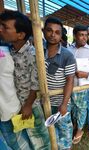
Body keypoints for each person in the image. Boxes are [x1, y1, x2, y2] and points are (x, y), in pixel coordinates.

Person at [0, 10, 50, 150]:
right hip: (16, 104)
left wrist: (28, 105)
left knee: (40, 137)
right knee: (25, 137)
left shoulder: (33, 54)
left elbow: (36, 84)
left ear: (20, 34)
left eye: (5, 27)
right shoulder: (10, 50)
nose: (1, 29)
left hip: (31, 104)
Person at [43, 17, 76, 150]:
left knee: (64, 133)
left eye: (57, 32)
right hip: (44, 101)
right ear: (44, 31)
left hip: (60, 102)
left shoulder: (67, 55)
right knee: (48, 131)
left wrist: (64, 104)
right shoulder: (37, 50)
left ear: (61, 35)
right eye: (49, 30)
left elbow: (70, 80)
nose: (53, 35)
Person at [68, 25, 89, 144]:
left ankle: (79, 130)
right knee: (72, 108)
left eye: (86, 35)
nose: (84, 38)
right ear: (75, 36)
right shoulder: (68, 49)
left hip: (83, 87)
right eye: (81, 35)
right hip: (69, 86)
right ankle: (75, 125)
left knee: (82, 108)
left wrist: (86, 75)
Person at [0, 40, 31, 149]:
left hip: (10, 110)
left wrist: (27, 105)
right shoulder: (9, 51)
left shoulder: (9, 51)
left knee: (17, 142)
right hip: (10, 108)